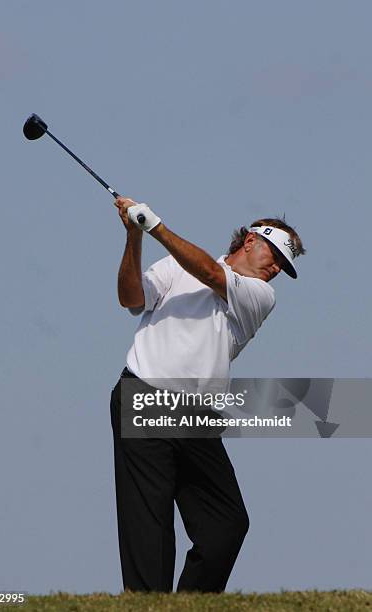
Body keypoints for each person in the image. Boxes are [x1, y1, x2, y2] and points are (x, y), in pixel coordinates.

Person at [110, 197, 305, 593]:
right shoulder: (174, 266)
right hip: (143, 394)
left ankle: (192, 603)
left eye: (283, 267)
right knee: (149, 525)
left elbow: (212, 275)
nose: (276, 269)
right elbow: (131, 299)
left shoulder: (259, 295)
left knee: (226, 524)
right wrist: (134, 237)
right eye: (275, 256)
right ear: (250, 241)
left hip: (197, 417)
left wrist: (157, 228)